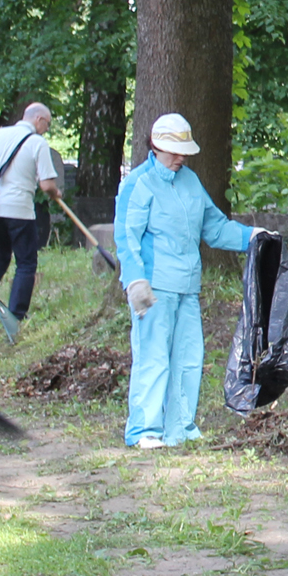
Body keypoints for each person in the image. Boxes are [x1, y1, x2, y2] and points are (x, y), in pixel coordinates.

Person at [114, 113, 260, 448]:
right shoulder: (138, 183)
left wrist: (253, 237)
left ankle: (180, 426)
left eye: (184, 151)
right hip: (154, 288)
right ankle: (144, 430)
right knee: (153, 357)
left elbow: (215, 227)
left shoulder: (191, 182)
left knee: (188, 357)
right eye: (174, 151)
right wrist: (134, 280)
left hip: (188, 287)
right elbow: (126, 237)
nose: (181, 157)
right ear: (156, 146)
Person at [0, 103, 63, 321]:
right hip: (19, 209)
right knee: (26, 263)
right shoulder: (37, 143)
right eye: (47, 124)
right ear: (39, 119)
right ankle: (16, 315)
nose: (47, 129)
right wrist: (56, 193)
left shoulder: (0, 134)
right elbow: (46, 185)